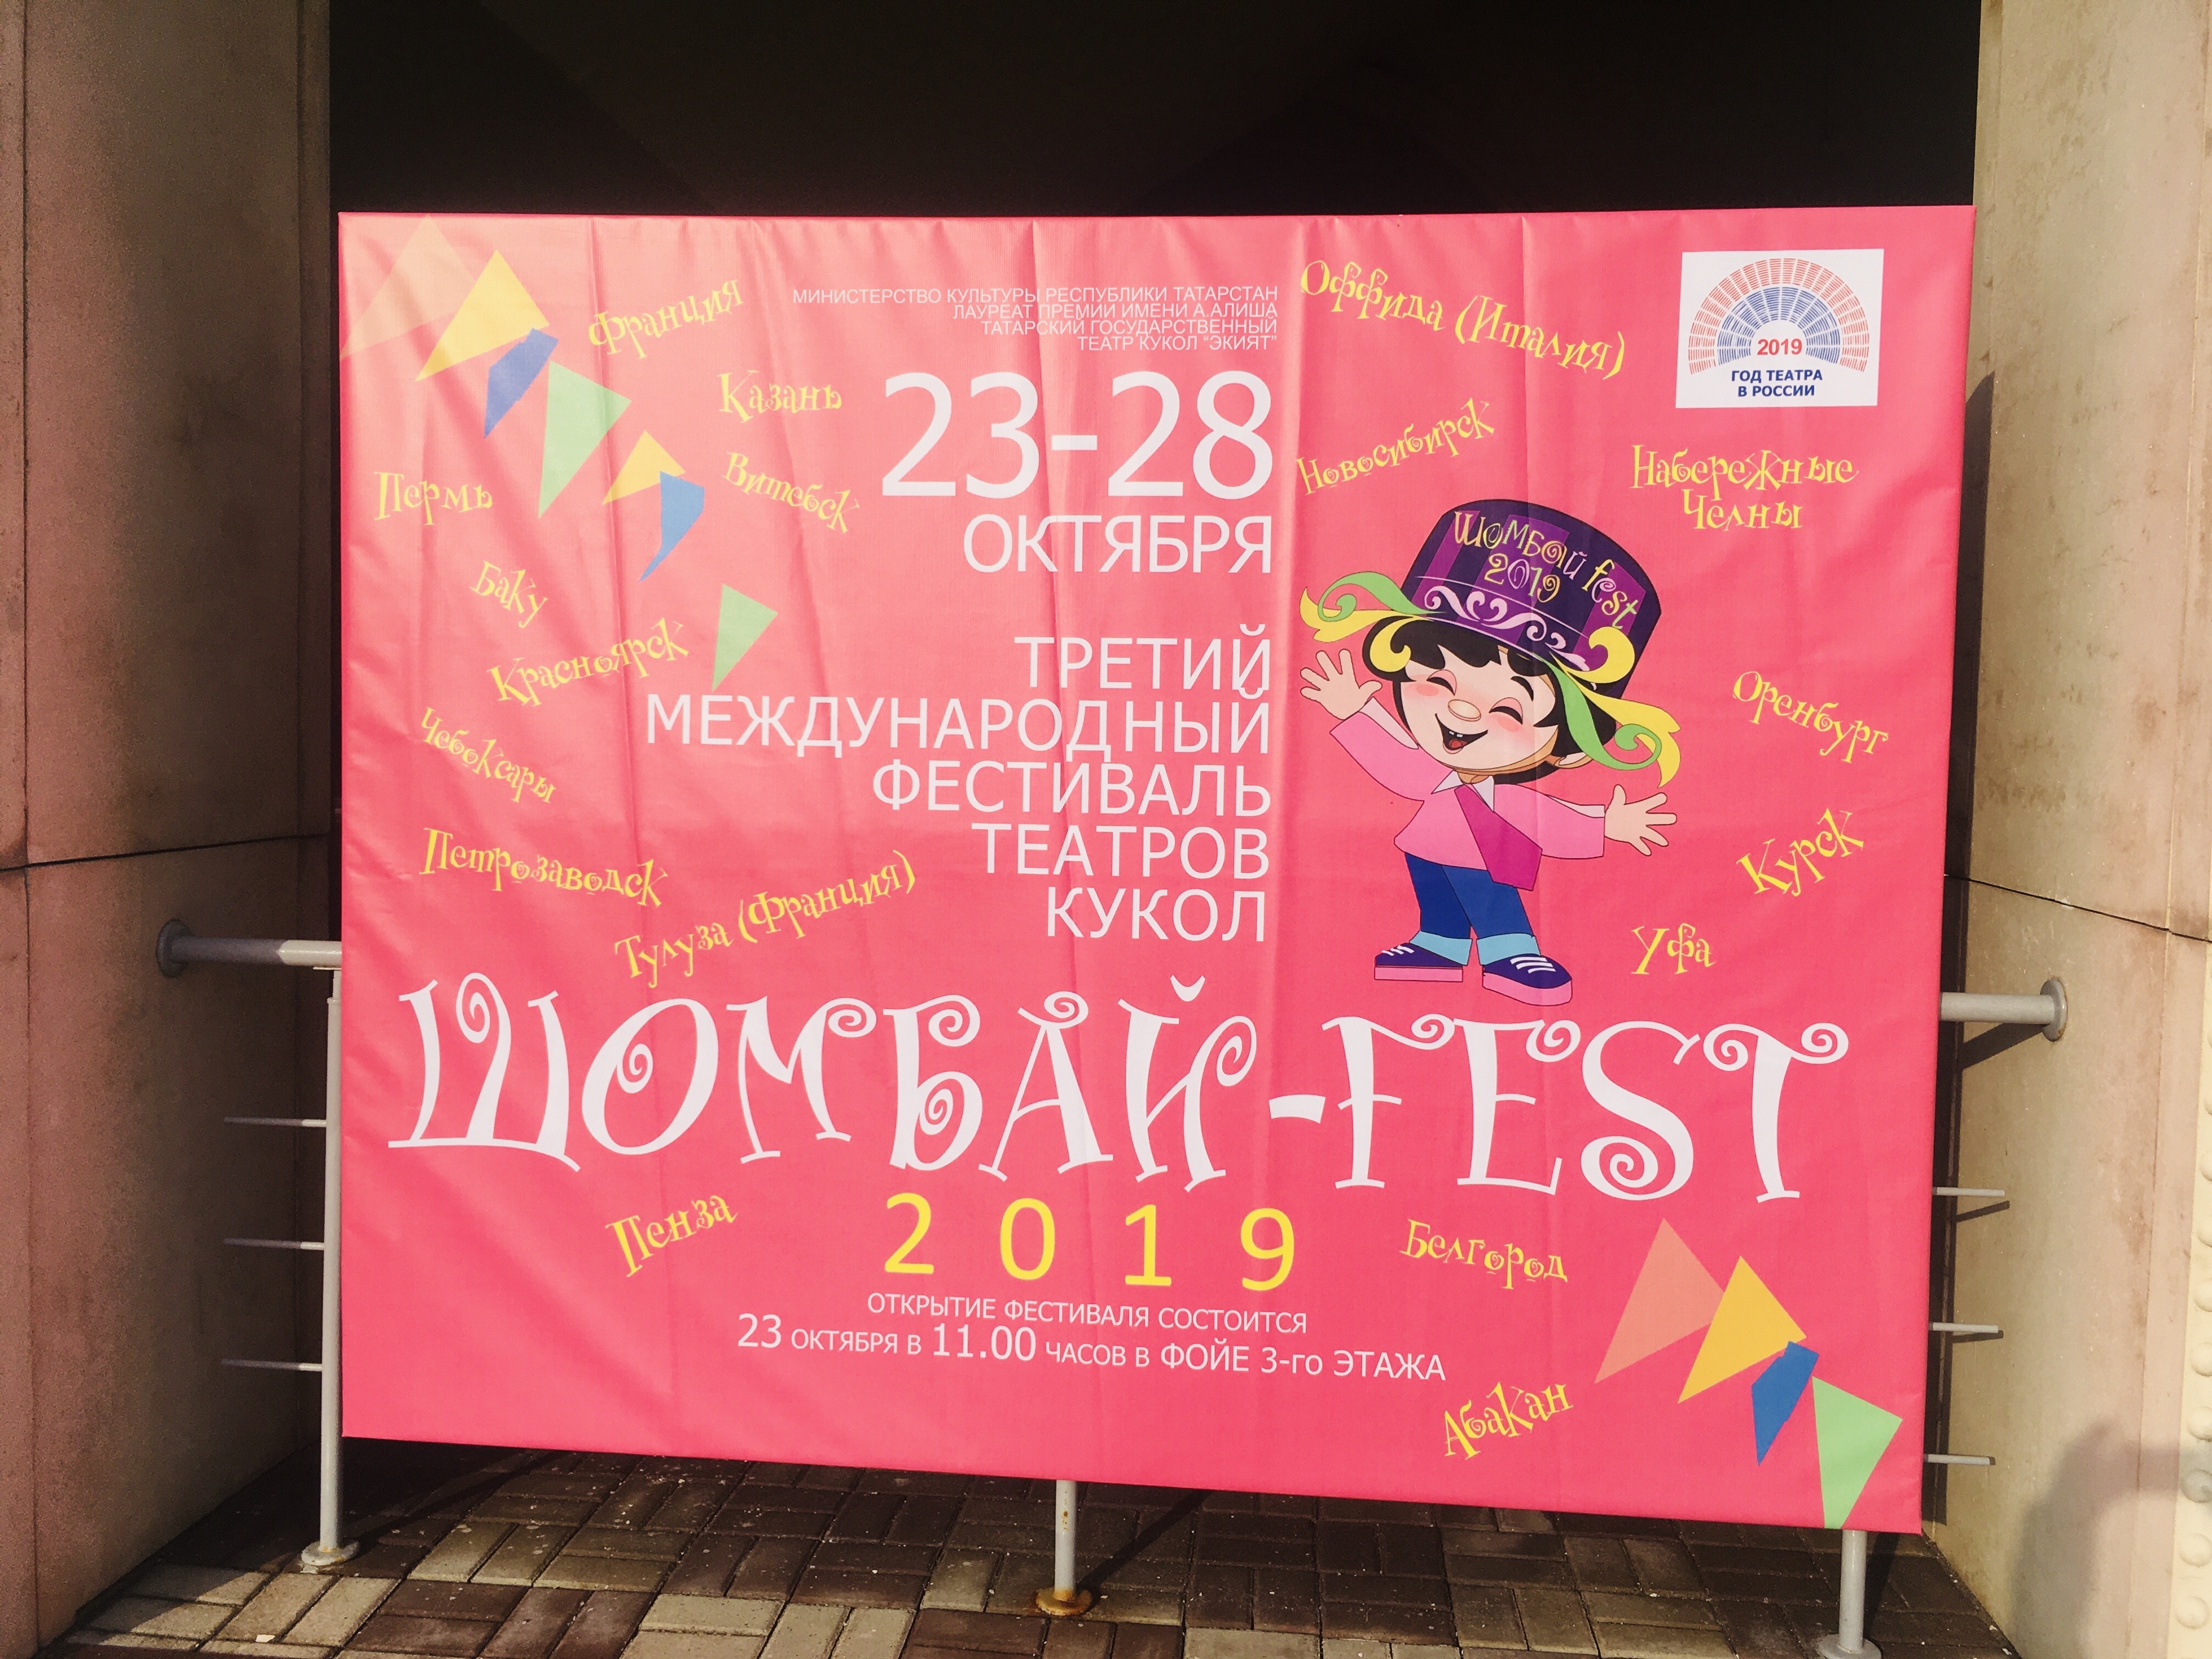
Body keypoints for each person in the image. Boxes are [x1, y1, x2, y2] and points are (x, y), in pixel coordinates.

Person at [1299, 500, 1680, 1005]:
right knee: (1437, 900)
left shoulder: (1508, 802)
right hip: (1425, 848)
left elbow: (1551, 818)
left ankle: (1513, 952)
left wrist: (1606, 824)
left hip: (1484, 858)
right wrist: (1355, 710)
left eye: (1507, 711)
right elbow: (1397, 765)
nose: (1461, 711)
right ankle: (1438, 946)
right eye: (1439, 682)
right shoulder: (1430, 777)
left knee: (1493, 903)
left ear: (1568, 749)